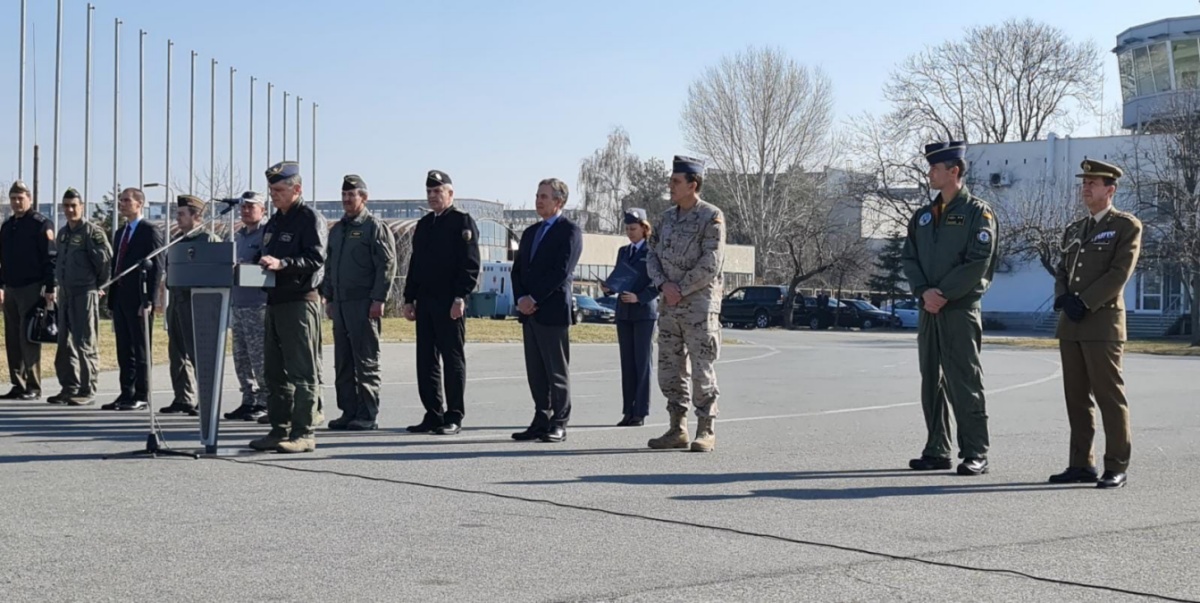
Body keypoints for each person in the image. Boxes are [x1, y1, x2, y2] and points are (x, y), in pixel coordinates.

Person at [901, 141, 999, 475]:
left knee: (964, 380)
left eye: (935, 168)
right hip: (929, 310)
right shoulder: (924, 216)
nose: (929, 174)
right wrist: (924, 292)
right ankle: (937, 448)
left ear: (953, 171)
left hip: (958, 309)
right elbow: (909, 257)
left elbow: (979, 262)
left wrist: (942, 293)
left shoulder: (977, 213)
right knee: (931, 379)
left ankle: (975, 451)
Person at [1049, 159, 1142, 490]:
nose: (1086, 187)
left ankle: (1116, 464)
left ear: (1110, 189)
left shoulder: (1125, 226)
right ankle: (1080, 463)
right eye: (1084, 182)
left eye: (1093, 182)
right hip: (1071, 324)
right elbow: (1062, 269)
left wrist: (1084, 301)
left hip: (1102, 324)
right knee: (1076, 397)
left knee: (1109, 397)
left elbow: (1119, 273)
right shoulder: (1075, 229)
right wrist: (1063, 298)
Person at [645, 155, 726, 453]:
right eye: (671, 180)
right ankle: (676, 427)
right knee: (670, 366)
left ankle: (706, 428)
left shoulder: (711, 216)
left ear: (694, 184)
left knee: (701, 365)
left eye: (676, 182)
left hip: (699, 306)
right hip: (668, 304)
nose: (671, 185)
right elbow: (650, 255)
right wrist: (663, 284)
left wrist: (681, 287)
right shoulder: (665, 218)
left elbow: (712, 261)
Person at [248, 161, 328, 454]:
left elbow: (316, 258)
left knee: (301, 372)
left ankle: (303, 432)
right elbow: (263, 252)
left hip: (299, 302)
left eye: (279, 189)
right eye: (271, 190)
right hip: (274, 301)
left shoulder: (309, 218)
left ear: (297, 189)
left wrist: (283, 264)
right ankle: (278, 429)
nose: (274, 195)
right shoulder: (274, 221)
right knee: (274, 372)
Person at [401, 169, 480, 435]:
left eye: (438, 191)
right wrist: (408, 297)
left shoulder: (462, 222)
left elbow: (470, 265)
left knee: (452, 358)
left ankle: (454, 415)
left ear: (450, 193)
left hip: (450, 302)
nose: (433, 196)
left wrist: (461, 296)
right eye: (429, 192)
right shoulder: (424, 225)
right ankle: (433, 413)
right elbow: (416, 264)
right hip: (425, 301)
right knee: (426, 360)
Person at [510, 178, 582, 443]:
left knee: (556, 371)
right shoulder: (530, 233)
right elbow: (516, 270)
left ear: (559, 201)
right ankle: (541, 419)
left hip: (551, 311)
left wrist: (534, 298)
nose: (539, 200)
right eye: (537, 195)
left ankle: (559, 421)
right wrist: (521, 299)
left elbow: (561, 271)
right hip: (529, 313)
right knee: (536, 371)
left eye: (544, 196)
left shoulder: (569, 231)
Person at [322, 174, 397, 431]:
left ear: (363, 198)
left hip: (363, 302)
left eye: (351, 195)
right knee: (343, 361)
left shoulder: (373, 227)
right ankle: (348, 411)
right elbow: (330, 265)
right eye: (343, 195)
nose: (346, 200)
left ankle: (367, 414)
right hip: (341, 303)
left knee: (365, 360)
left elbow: (386, 264)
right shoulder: (338, 229)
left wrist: (379, 298)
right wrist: (329, 297)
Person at [103, 187, 165, 412]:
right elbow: (115, 265)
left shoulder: (149, 231)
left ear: (139, 204)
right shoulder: (121, 232)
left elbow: (157, 266)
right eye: (120, 200)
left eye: (127, 200)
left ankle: (141, 394)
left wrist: (149, 300)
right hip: (120, 297)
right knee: (124, 348)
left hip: (139, 298)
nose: (122, 204)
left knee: (140, 348)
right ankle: (125, 392)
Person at [161, 195, 222, 416]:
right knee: (177, 352)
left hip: (196, 302)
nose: (177, 218)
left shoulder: (207, 239)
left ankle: (205, 399)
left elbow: (215, 271)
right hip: (177, 301)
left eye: (181, 214)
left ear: (196, 215)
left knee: (198, 352)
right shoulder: (176, 240)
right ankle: (183, 397)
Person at [49, 188, 112, 406]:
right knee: (64, 343)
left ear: (82, 207)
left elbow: (104, 261)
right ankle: (69, 386)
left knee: (85, 342)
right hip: (65, 293)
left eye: (73, 205)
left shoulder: (92, 232)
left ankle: (87, 389)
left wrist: (98, 285)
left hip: (85, 292)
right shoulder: (64, 232)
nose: (69, 210)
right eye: (66, 206)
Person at [601, 208, 658, 427]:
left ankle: (640, 411)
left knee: (642, 363)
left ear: (644, 228)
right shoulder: (624, 252)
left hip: (644, 313)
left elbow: (657, 283)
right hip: (624, 312)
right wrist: (609, 288)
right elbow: (620, 278)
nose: (629, 232)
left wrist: (639, 297)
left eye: (633, 228)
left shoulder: (652, 251)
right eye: (627, 228)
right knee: (627, 363)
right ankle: (628, 410)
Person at [0, 180, 56, 401]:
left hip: (32, 288)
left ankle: (33, 386)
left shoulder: (40, 223)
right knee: (12, 338)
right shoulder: (7, 226)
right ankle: (18, 383)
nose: (16, 202)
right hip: (11, 288)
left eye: (20, 198)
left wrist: (50, 286)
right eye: (13, 198)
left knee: (29, 337)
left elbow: (50, 257)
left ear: (29, 199)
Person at [224, 191, 270, 421]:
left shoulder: (267, 234)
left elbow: (266, 269)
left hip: (258, 304)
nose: (245, 210)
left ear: (262, 209)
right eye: (242, 207)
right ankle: (248, 399)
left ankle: (265, 401)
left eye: (251, 206)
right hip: (238, 304)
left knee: (259, 356)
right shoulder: (238, 236)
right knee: (241, 357)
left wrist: (244, 267)